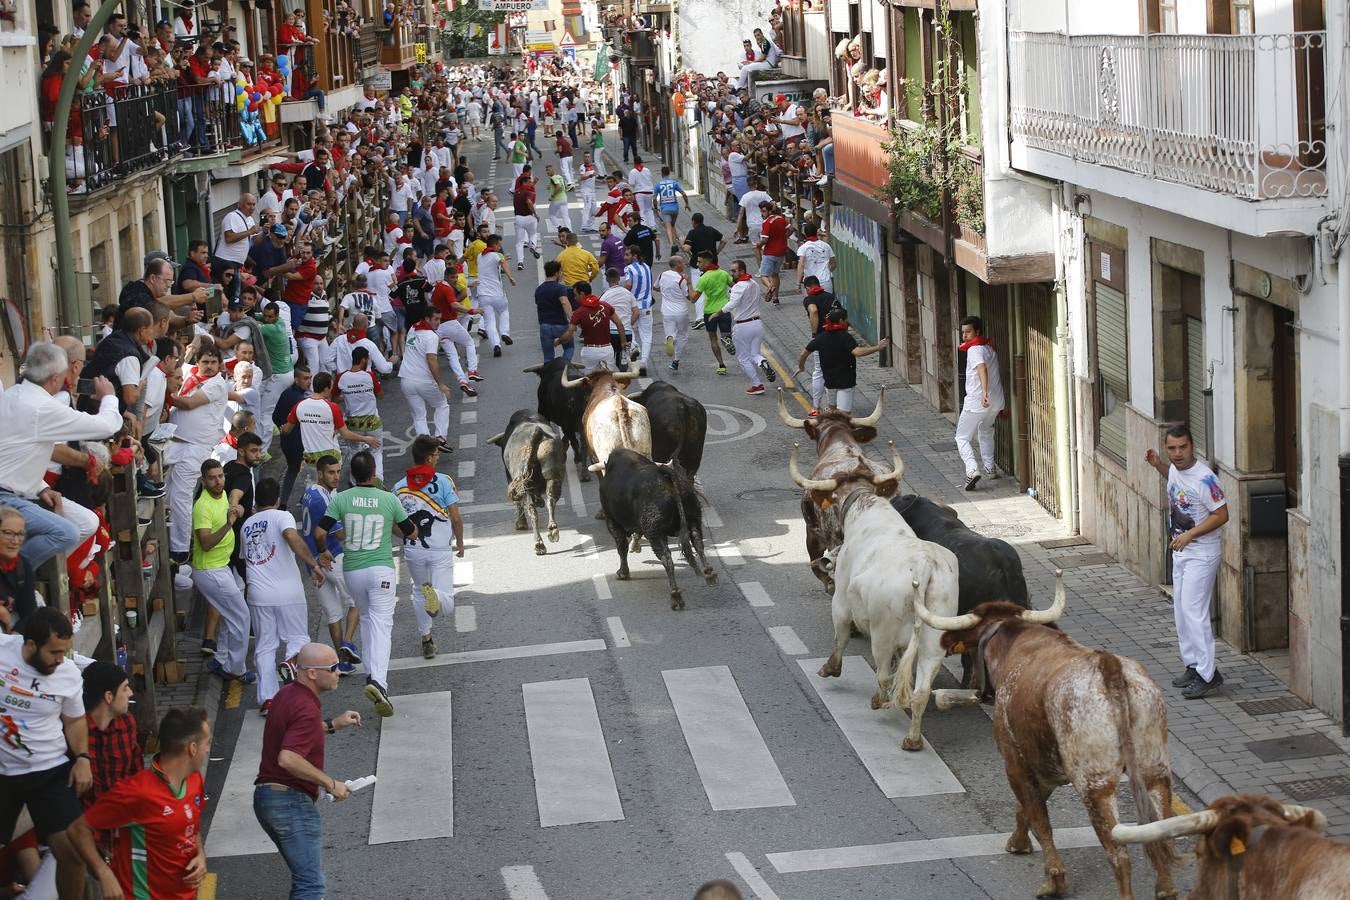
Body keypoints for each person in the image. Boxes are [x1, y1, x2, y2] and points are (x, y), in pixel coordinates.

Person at [0, 607, 118, 900]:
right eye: (54, 652)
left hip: (48, 772)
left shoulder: (67, 675)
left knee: (72, 853)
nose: (60, 660)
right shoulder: (2, 652)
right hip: (3, 774)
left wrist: (82, 758)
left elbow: (75, 721)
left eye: (65, 651)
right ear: (30, 645)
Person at [253, 642, 363, 900]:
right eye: (333, 667)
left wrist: (334, 724)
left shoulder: (287, 695)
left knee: (304, 879)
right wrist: (330, 783)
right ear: (312, 673)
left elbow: (294, 733)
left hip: (267, 800)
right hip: (290, 803)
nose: (339, 672)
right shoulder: (305, 707)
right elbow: (288, 757)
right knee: (310, 886)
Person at [313, 451, 417, 718]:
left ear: (351, 475)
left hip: (353, 570)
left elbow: (320, 532)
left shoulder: (341, 499)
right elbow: (410, 531)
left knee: (369, 622)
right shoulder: (388, 499)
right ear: (374, 473)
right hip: (380, 569)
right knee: (382, 624)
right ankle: (378, 683)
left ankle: (372, 673)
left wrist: (324, 551)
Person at [0, 343, 120, 569]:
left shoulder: (10, 395)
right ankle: (14, 575)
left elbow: (16, 453)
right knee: (66, 532)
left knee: (88, 522)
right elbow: (106, 425)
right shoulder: (42, 407)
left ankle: (32, 574)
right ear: (55, 378)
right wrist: (109, 397)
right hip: (7, 497)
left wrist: (41, 487)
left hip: (24, 489)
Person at [83, 708, 211, 900]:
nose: (208, 749)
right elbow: (77, 828)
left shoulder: (194, 780)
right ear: (192, 748)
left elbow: (192, 826)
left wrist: (200, 855)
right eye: (206, 743)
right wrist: (104, 873)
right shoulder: (137, 793)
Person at [1145, 424, 1230, 700]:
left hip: (1202, 553)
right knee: (1182, 612)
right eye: (1172, 448)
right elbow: (1171, 476)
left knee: (1195, 613)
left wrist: (1190, 534)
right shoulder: (1175, 470)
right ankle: (1193, 665)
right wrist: (1158, 464)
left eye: (1183, 447)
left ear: (1192, 446)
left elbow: (1222, 514)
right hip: (1182, 552)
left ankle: (1208, 674)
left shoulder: (1205, 479)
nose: (1178, 453)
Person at [242, 477, 327, 715]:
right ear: (278, 499)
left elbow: (248, 557)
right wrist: (313, 564)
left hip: (258, 594)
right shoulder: (282, 516)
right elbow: (291, 537)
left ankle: (268, 700)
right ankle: (291, 664)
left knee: (265, 646)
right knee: (298, 637)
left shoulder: (247, 525)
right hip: (288, 590)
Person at [393, 437, 466, 661]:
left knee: (418, 590)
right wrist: (461, 542)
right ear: (428, 458)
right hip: (440, 549)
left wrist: (406, 536)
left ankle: (426, 639)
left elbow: (393, 523)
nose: (438, 457)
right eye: (436, 454)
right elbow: (455, 517)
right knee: (447, 604)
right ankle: (433, 595)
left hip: (414, 549)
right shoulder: (444, 481)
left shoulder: (398, 487)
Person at [192, 458, 256, 684]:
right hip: (211, 571)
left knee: (232, 615)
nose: (218, 481)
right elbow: (206, 542)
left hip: (221, 568)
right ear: (203, 480)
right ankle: (236, 670)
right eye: (212, 478)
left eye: (220, 476)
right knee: (242, 616)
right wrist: (229, 524)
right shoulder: (203, 506)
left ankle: (221, 660)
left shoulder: (222, 496)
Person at [166, 343, 230, 560]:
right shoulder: (191, 375)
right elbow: (180, 364)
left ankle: (180, 550)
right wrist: (191, 348)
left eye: (214, 362)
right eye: (205, 362)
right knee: (166, 494)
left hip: (196, 447)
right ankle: (167, 541)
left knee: (180, 497)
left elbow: (190, 403)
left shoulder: (216, 384)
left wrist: (165, 396)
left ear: (220, 364)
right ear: (198, 362)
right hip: (174, 442)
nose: (210, 366)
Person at [301, 456, 360, 673]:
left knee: (333, 614)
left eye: (337, 471)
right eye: (331, 473)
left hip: (313, 564)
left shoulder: (309, 493)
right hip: (332, 557)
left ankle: (341, 662)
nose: (336, 477)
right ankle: (347, 643)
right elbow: (340, 533)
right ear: (320, 473)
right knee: (356, 601)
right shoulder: (324, 500)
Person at [282, 371, 380, 481]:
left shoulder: (299, 406)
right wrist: (365, 438)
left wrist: (283, 429)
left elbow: (286, 429)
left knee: (314, 487)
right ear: (326, 389)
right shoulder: (332, 407)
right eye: (331, 387)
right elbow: (345, 434)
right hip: (331, 459)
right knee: (331, 492)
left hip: (311, 459)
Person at [795, 307, 888, 413]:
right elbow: (857, 352)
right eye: (845, 319)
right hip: (845, 382)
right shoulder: (845, 337)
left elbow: (804, 353)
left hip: (829, 382)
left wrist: (801, 367)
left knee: (833, 410)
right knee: (844, 414)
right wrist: (878, 347)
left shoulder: (821, 337)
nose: (846, 322)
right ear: (840, 321)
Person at [81, 661, 141, 810]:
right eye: (125, 688)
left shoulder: (127, 723)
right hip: (86, 822)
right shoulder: (78, 731)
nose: (130, 693)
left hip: (122, 816)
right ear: (108, 696)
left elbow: (136, 772)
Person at [953, 315, 1004, 491]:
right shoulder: (989, 348)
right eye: (963, 333)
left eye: (968, 332)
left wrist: (983, 392)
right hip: (996, 402)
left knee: (961, 437)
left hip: (978, 401)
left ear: (978, 332)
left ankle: (972, 470)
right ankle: (990, 468)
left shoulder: (975, 350)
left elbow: (981, 368)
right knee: (985, 430)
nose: (965, 336)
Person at [399, 308, 456, 454]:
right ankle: (440, 437)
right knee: (442, 405)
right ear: (427, 319)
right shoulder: (431, 337)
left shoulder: (414, 327)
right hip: (423, 380)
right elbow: (432, 360)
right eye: (436, 319)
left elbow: (419, 343)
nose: (439, 322)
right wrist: (441, 384)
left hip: (406, 379)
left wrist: (436, 337)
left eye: (439, 319)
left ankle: (426, 448)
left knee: (419, 416)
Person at [718, 259, 776, 395]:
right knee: (755, 353)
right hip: (757, 324)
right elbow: (759, 299)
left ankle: (757, 384)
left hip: (743, 326)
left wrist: (717, 313)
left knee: (743, 358)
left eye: (734, 271)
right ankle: (762, 362)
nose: (731, 273)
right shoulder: (754, 284)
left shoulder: (739, 286)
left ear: (742, 271)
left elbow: (731, 305)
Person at [558, 282, 626, 373]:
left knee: (589, 382)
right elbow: (619, 324)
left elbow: (569, 334)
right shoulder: (606, 306)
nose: (575, 298)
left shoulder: (579, 312)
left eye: (575, 295)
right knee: (609, 381)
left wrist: (559, 341)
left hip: (590, 352)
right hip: (607, 350)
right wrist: (623, 342)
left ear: (582, 294)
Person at [257, 302, 297, 452]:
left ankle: (263, 451)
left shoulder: (271, 329)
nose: (266, 319)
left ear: (277, 316)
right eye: (265, 316)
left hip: (279, 376)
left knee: (264, 413)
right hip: (282, 372)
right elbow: (258, 316)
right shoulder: (279, 321)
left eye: (270, 317)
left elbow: (254, 325)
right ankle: (269, 431)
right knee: (263, 408)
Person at [273, 364, 312, 508]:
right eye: (305, 379)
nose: (309, 382)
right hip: (298, 443)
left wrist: (282, 428)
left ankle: (283, 503)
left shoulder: (287, 393)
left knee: (292, 470)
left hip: (286, 442)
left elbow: (275, 416)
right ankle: (306, 499)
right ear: (296, 380)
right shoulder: (299, 400)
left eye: (310, 378)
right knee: (311, 470)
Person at [687, 252, 733, 375]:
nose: (697, 264)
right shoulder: (723, 273)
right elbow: (734, 286)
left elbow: (693, 299)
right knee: (726, 335)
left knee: (713, 339)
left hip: (709, 312)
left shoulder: (704, 278)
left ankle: (721, 365)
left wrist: (689, 284)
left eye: (699, 262)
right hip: (724, 310)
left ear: (707, 262)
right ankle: (727, 340)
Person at [801, 275, 840, 414]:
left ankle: (816, 407)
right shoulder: (831, 297)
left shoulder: (809, 299)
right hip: (838, 338)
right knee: (835, 370)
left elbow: (813, 310)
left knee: (819, 372)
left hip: (822, 339)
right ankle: (833, 406)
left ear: (807, 288)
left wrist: (814, 332)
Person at [213, 193, 261, 302]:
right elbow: (229, 238)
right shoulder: (232, 216)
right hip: (224, 261)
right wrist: (250, 231)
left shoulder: (250, 220)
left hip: (237, 264)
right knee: (222, 293)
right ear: (240, 204)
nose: (252, 207)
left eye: (254, 204)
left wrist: (264, 232)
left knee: (235, 294)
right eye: (249, 204)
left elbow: (255, 241)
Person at [477, 234, 517, 357]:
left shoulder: (480, 256)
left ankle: (496, 345)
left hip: (483, 294)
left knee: (489, 321)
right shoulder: (497, 255)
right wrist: (511, 277)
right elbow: (503, 263)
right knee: (504, 311)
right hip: (497, 293)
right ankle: (504, 332)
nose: (500, 247)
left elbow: (492, 262)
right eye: (499, 244)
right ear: (494, 245)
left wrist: (502, 258)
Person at [0, 507, 37, 634]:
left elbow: (29, 613)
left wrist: (16, 635)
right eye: (8, 533)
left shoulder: (23, 565)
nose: (15, 541)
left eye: (20, 534)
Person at [600, 268, 639, 372]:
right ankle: (623, 370)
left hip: (611, 332)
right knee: (622, 359)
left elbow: (601, 314)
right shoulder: (628, 294)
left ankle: (611, 377)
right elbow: (636, 312)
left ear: (607, 280)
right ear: (619, 278)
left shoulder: (605, 296)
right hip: (626, 332)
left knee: (609, 360)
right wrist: (628, 324)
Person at [535, 261, 575, 362]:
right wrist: (572, 320)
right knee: (569, 348)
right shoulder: (560, 288)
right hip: (561, 325)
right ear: (557, 273)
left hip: (545, 326)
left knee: (548, 357)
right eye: (561, 272)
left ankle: (549, 374)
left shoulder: (539, 290)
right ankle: (564, 367)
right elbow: (564, 303)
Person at [622, 245, 654, 374]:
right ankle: (644, 362)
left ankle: (635, 346)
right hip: (646, 306)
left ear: (634, 256)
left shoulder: (629, 268)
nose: (625, 257)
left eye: (627, 255)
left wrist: (625, 293)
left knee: (628, 327)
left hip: (633, 306)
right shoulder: (646, 267)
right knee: (646, 335)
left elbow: (628, 284)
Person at [658, 255, 691, 371]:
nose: (684, 265)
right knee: (682, 335)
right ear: (677, 265)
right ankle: (676, 361)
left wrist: (665, 292)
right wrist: (689, 283)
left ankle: (670, 337)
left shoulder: (662, 275)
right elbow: (689, 297)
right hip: (681, 311)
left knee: (669, 330)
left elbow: (656, 287)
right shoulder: (681, 279)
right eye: (682, 263)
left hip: (667, 311)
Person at [755, 201, 791, 305]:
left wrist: (759, 245)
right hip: (781, 251)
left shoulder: (766, 223)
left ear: (770, 210)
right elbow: (791, 229)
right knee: (775, 274)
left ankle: (770, 286)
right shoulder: (780, 218)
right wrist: (784, 237)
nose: (762, 214)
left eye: (764, 211)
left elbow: (765, 240)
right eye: (761, 211)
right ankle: (775, 298)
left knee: (763, 275)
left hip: (770, 252)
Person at [654, 166, 690, 250]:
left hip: (665, 209)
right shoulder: (674, 183)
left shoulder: (658, 184)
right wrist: (687, 204)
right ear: (669, 173)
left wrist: (656, 208)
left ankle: (672, 244)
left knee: (668, 226)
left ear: (662, 173)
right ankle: (675, 243)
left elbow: (654, 199)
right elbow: (683, 194)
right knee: (672, 225)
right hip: (675, 208)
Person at [512, 167, 541, 270]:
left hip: (518, 218)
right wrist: (535, 214)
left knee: (519, 242)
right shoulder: (530, 192)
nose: (531, 183)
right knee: (533, 234)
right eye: (530, 182)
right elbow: (529, 201)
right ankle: (532, 246)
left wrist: (534, 183)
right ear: (526, 182)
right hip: (529, 217)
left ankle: (520, 262)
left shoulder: (516, 192)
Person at [795, 221, 836, 293]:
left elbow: (801, 265)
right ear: (816, 232)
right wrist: (827, 271)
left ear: (805, 234)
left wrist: (798, 283)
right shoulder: (826, 246)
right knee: (826, 303)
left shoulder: (803, 248)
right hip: (826, 281)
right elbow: (833, 264)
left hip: (810, 283)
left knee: (812, 303)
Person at [543, 163, 572, 235]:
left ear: (553, 170)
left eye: (549, 170)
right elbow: (562, 186)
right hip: (564, 199)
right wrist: (550, 186)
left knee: (551, 214)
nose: (547, 172)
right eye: (546, 170)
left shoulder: (553, 178)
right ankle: (570, 231)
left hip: (556, 200)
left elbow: (558, 187)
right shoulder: (559, 177)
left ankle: (559, 227)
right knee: (565, 216)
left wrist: (552, 195)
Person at [577, 153, 600, 230]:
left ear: (590, 158)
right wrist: (591, 176)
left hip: (592, 191)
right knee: (587, 206)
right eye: (585, 157)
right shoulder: (582, 167)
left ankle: (589, 226)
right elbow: (582, 177)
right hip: (585, 191)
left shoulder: (592, 167)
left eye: (588, 157)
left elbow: (593, 178)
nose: (587, 158)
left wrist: (600, 181)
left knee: (594, 209)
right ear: (583, 158)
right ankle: (584, 225)